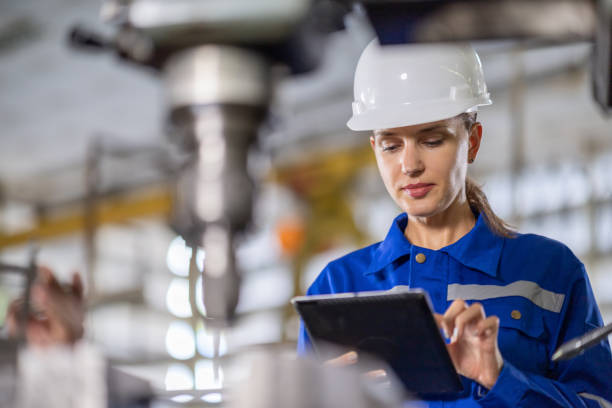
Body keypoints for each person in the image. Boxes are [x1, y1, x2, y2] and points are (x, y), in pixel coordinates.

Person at [297, 40, 612, 407]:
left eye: (431, 140)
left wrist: (500, 378)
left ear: (472, 142)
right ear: (374, 149)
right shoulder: (336, 287)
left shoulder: (550, 271)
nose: (410, 165)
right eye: (391, 145)